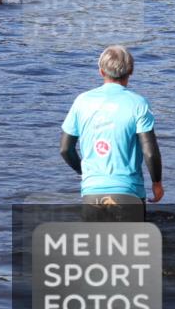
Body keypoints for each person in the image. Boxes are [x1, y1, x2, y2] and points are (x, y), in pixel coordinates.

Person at [59, 46, 163, 221]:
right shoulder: (138, 103)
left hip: (92, 194)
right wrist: (157, 183)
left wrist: (84, 172)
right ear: (131, 71)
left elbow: (65, 149)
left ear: (101, 71)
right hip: (129, 193)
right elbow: (150, 152)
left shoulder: (82, 101)